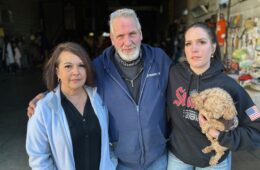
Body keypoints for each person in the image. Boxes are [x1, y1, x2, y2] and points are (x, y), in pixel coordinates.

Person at [27, 8, 172, 170]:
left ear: (141, 34)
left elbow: (180, 84)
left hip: (158, 159)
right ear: (112, 39)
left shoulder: (159, 59)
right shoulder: (99, 68)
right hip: (122, 163)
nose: (127, 41)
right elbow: (74, 82)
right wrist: (47, 95)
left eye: (132, 34)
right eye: (120, 36)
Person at [166, 22, 260, 170]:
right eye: (188, 43)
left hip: (213, 161)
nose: (194, 49)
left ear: (213, 48)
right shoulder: (173, 74)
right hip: (178, 157)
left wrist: (221, 136)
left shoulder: (230, 86)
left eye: (201, 42)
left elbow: (256, 127)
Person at [26, 42, 115, 170]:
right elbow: (38, 158)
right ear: (57, 72)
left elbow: (108, 142)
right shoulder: (43, 109)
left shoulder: (98, 99)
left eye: (81, 65)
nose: (76, 72)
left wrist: (111, 164)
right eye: (68, 66)